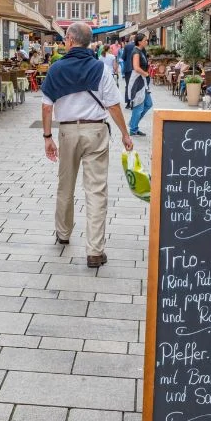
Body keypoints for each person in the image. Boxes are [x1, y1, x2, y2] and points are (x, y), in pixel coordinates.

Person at [41, 22, 133, 269]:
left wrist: (47, 136)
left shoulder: (56, 69)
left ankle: (63, 233)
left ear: (70, 40)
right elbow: (113, 105)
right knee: (96, 190)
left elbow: (47, 105)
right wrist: (125, 133)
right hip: (95, 131)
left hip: (68, 131)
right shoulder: (99, 68)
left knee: (65, 184)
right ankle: (94, 250)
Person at [127, 33, 153, 136]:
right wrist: (146, 73)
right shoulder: (136, 52)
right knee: (138, 106)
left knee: (148, 104)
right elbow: (136, 67)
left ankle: (133, 124)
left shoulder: (141, 51)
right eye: (145, 40)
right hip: (138, 81)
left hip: (142, 81)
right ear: (139, 42)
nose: (147, 42)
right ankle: (133, 129)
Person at [121, 36, 136, 107]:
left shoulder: (127, 46)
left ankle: (128, 103)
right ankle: (134, 101)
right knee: (135, 85)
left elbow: (123, 57)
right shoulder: (138, 46)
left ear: (130, 39)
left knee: (128, 85)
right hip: (136, 68)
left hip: (128, 68)